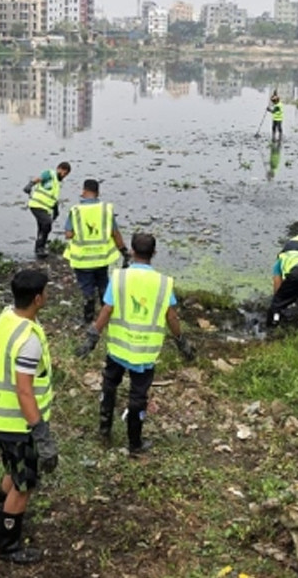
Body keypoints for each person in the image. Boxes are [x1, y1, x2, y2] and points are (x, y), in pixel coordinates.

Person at [77, 233, 196, 455]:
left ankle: (104, 430)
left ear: (132, 251)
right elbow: (171, 317)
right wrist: (181, 341)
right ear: (154, 253)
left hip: (118, 349)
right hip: (144, 353)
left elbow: (107, 309)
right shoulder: (163, 283)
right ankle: (134, 444)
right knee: (138, 396)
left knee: (109, 385)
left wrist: (93, 336)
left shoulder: (119, 277)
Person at [0, 269, 57, 564]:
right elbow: (24, 390)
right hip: (17, 423)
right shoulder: (29, 339)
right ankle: (8, 546)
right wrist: (41, 432)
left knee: (12, 472)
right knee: (24, 484)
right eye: (47, 292)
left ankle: (2, 514)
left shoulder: (6, 318)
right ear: (38, 298)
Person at [63, 179, 130, 323]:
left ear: (83, 191)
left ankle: (88, 318)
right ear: (98, 193)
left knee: (87, 288)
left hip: (83, 260)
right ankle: (106, 314)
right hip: (102, 258)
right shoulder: (106, 209)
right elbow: (115, 232)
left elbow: (68, 234)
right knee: (103, 284)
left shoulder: (76, 211)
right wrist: (124, 250)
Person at [22, 161, 71, 259]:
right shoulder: (50, 174)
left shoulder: (57, 183)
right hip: (36, 205)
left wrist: (56, 209)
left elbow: (53, 197)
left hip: (45, 208)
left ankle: (40, 249)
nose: (64, 176)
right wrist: (30, 184)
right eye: (64, 173)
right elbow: (40, 178)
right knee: (46, 224)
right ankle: (40, 247)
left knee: (43, 227)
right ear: (59, 169)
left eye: (66, 175)